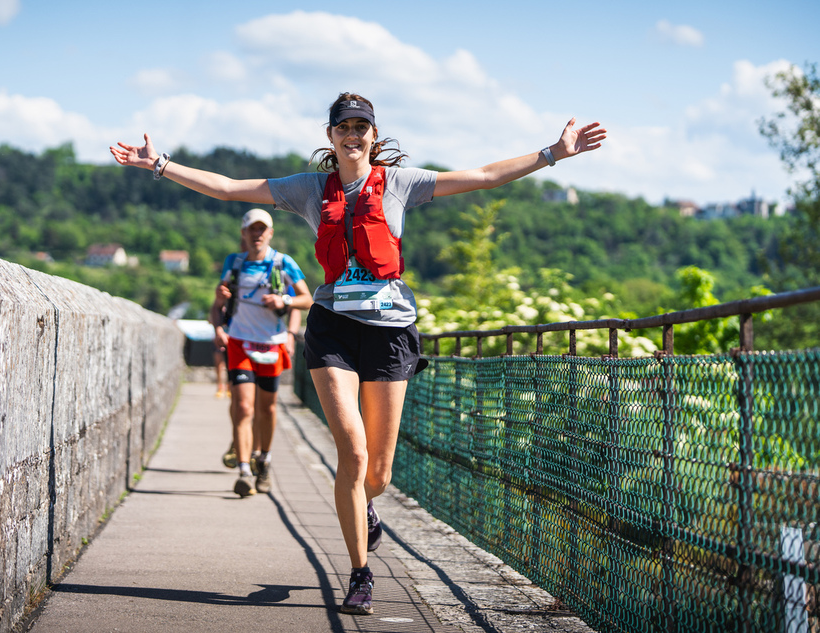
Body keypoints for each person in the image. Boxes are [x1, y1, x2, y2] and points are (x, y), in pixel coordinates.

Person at [110, 92, 605, 616]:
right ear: (330, 136)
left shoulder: (400, 183)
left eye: (360, 127)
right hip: (333, 330)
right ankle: (360, 573)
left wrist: (553, 153)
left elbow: (483, 176)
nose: (352, 135)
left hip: (390, 332)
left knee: (379, 474)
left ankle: (365, 505)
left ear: (373, 135)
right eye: (343, 127)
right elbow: (230, 188)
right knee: (352, 453)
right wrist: (159, 165)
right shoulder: (308, 189)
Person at [208, 208, 312, 497]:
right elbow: (217, 305)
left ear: (270, 233)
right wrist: (219, 317)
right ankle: (243, 470)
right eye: (252, 229)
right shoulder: (234, 263)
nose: (257, 234)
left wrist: (284, 300)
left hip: (271, 342)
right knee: (243, 406)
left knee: (267, 408)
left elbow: (307, 299)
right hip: (239, 340)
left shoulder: (283, 262)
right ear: (243, 233)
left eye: (262, 229)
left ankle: (263, 459)